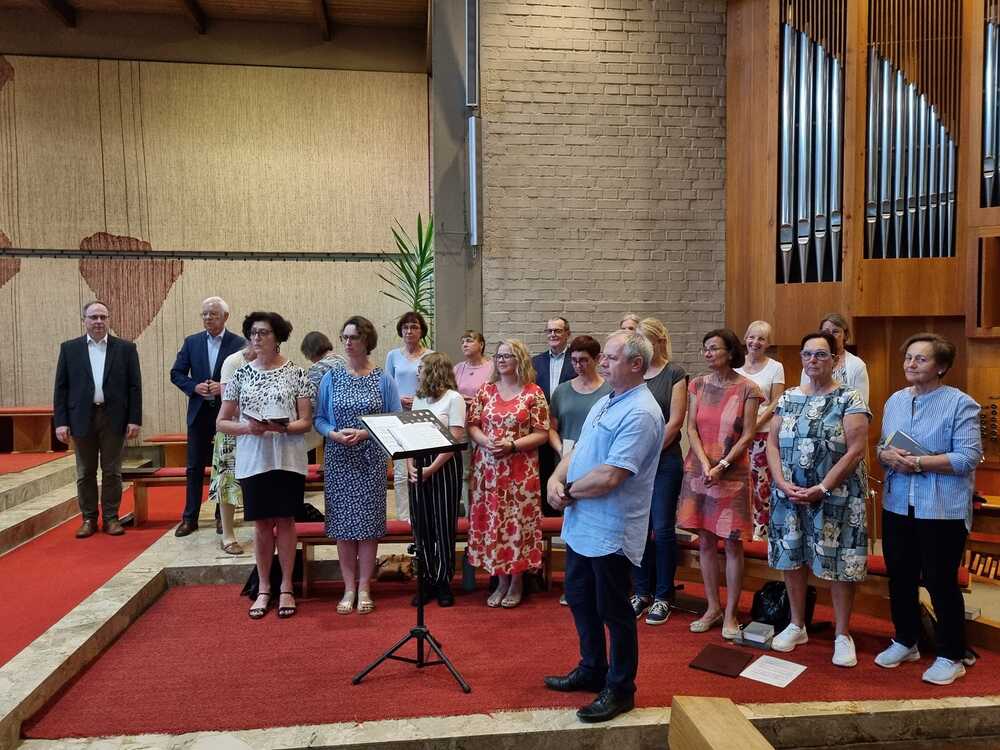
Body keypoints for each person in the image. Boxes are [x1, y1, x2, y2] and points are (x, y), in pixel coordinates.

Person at [544, 331, 665, 723]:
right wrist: (555, 480)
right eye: (605, 357)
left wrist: (568, 491)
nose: (603, 363)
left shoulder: (642, 412)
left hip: (612, 528)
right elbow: (576, 450)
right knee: (580, 598)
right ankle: (592, 667)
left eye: (611, 358)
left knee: (613, 610)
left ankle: (621, 688)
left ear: (636, 364)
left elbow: (612, 475)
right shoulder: (606, 400)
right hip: (583, 522)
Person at [876, 333, 982, 685]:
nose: (910, 363)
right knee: (900, 576)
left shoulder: (960, 404)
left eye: (920, 359)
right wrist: (886, 455)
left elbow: (967, 458)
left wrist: (919, 462)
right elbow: (882, 448)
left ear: (941, 366)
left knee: (940, 580)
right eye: (908, 357)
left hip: (941, 507)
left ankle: (951, 655)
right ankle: (906, 640)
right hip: (897, 502)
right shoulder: (895, 400)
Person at [766, 331, 870, 667]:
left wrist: (823, 487)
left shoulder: (849, 398)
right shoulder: (788, 398)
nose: (813, 360)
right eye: (808, 354)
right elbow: (771, 443)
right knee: (792, 557)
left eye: (821, 354)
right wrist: (781, 482)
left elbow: (856, 450)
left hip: (836, 495)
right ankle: (797, 624)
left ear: (835, 360)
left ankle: (842, 634)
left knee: (840, 562)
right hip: (790, 495)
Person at [217, 312, 314, 620]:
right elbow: (222, 422)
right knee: (260, 525)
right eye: (253, 333)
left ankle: (286, 586)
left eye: (264, 333)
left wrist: (281, 427)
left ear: (277, 337)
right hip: (254, 458)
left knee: (285, 521)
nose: (257, 338)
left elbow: (306, 421)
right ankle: (263, 587)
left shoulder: (296, 373)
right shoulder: (241, 375)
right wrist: (248, 428)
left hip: (287, 458)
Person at [677, 329, 762, 639]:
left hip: (732, 474)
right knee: (705, 541)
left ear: (730, 352)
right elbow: (691, 428)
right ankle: (712, 607)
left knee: (733, 543)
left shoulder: (748, 389)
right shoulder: (697, 385)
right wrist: (705, 463)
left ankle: (731, 614)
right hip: (699, 470)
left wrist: (722, 465)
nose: (708, 353)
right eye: (706, 348)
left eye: (714, 348)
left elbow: (748, 434)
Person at [315, 316, 401, 615]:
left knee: (367, 526)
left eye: (354, 337)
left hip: (369, 458)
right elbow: (319, 418)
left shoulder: (382, 379)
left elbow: (395, 418)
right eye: (345, 337)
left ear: (367, 341)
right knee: (342, 526)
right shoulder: (331, 378)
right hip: (339, 458)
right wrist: (332, 433)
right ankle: (348, 587)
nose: (348, 343)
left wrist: (366, 433)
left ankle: (364, 586)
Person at [467, 338, 549, 608]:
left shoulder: (533, 393)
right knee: (494, 523)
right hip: (488, 471)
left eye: (507, 356)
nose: (501, 360)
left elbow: (542, 433)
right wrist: (485, 441)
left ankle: (517, 581)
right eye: (498, 356)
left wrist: (512, 445)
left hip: (520, 471)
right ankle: (500, 580)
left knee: (516, 524)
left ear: (519, 360)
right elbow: (472, 424)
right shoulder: (486, 390)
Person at [54, 301, 142, 538]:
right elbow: (61, 388)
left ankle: (111, 518)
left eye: (103, 317)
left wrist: (134, 419)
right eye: (94, 317)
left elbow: (134, 387)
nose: (99, 322)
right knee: (85, 472)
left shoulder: (125, 348)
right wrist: (61, 421)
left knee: (112, 471)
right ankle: (88, 518)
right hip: (81, 417)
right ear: (84, 320)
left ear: (109, 319)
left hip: (114, 417)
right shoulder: (70, 349)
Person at [170, 297, 246, 537]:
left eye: (213, 314)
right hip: (199, 412)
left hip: (227, 413)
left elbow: (246, 375)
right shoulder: (191, 342)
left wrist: (223, 388)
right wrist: (194, 386)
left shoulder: (239, 343)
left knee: (224, 465)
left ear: (225, 317)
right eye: (204, 314)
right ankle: (189, 518)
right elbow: (176, 373)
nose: (207, 318)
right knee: (194, 467)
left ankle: (222, 518)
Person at [630, 318, 688, 625]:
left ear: (659, 342)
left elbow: (675, 422)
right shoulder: (635, 372)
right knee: (639, 528)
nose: (639, 345)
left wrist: (648, 454)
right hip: (635, 463)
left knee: (662, 528)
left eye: (644, 340)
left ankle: (664, 595)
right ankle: (641, 592)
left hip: (664, 461)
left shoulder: (674, 373)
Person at [407, 352, 466, 607]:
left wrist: (430, 469)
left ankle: (443, 580)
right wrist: (410, 465)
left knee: (442, 524)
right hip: (418, 460)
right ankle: (426, 579)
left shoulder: (454, 399)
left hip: (443, 463)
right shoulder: (419, 399)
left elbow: (454, 439)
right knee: (421, 525)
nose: (417, 371)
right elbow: (409, 435)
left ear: (434, 370)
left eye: (421, 367)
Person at [735, 320, 785, 541]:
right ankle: (740, 526)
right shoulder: (736, 366)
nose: (755, 342)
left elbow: (777, 401)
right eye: (752, 337)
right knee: (739, 482)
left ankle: (760, 531)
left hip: (763, 433)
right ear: (745, 339)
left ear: (768, 343)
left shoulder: (775, 367)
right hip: (738, 435)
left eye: (761, 339)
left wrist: (754, 425)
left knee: (761, 483)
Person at [385, 311, 432, 523]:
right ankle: (404, 518)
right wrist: (398, 399)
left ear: (421, 331)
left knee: (421, 467)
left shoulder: (430, 355)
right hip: (398, 416)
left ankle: (422, 514)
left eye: (414, 327)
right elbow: (387, 386)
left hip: (422, 416)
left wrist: (418, 399)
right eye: (405, 327)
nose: (409, 331)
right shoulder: (393, 355)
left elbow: (435, 386)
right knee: (401, 471)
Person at [210, 344, 256, 554]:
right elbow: (227, 400)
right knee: (228, 483)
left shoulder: (273, 361)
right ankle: (228, 535)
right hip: (233, 430)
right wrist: (256, 415)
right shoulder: (234, 361)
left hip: (259, 432)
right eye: (256, 333)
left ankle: (262, 532)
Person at [532, 317, 574, 515]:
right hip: (541, 428)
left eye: (557, 331)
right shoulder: (536, 362)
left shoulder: (576, 359)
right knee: (544, 474)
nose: (553, 334)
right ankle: (548, 520)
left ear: (567, 333)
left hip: (567, 426)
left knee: (568, 476)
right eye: (549, 331)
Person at [800, 312, 870, 406]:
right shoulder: (811, 364)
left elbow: (862, 403)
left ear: (845, 335)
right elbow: (803, 397)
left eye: (835, 332)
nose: (830, 336)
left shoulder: (857, 365)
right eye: (826, 332)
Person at [300, 331, 345, 453]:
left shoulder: (317, 368)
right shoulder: (345, 361)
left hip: (329, 424)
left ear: (310, 351)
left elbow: (312, 401)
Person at [453, 329, 493, 403]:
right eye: (462, 342)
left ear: (481, 345)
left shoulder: (492, 368)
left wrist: (476, 402)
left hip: (484, 409)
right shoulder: (457, 368)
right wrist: (459, 397)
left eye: (469, 341)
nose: (465, 345)